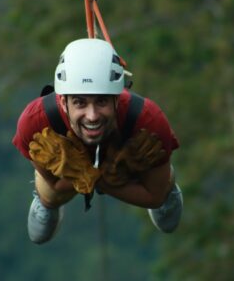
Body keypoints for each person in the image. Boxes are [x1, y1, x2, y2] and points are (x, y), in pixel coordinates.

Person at [12, 38, 183, 244]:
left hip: (125, 139)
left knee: (160, 194)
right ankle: (45, 203)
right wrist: (86, 175)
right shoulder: (35, 124)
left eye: (101, 101)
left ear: (117, 99)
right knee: (51, 194)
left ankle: (167, 182)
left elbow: (154, 197)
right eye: (80, 103)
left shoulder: (148, 122)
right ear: (63, 102)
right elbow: (55, 184)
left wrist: (102, 179)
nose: (92, 116)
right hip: (65, 155)